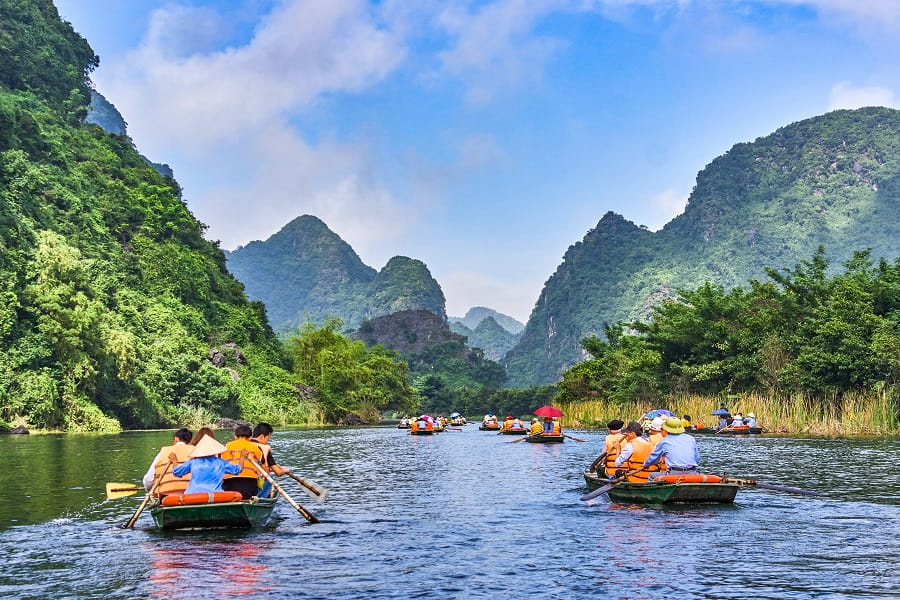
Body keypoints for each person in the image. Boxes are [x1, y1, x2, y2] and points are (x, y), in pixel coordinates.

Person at [171, 435, 243, 494]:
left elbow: (177, 472)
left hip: (193, 494)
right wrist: (242, 457)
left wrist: (174, 461)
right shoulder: (221, 462)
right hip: (215, 494)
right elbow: (238, 470)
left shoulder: (193, 462)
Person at [142, 428, 194, 495]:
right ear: (190, 441)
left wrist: (149, 489)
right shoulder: (195, 452)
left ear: (176, 439)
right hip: (191, 494)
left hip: (165, 495)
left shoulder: (163, 453)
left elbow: (148, 480)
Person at [222, 424, 265, 499]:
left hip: (229, 482)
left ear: (235, 437)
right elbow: (262, 464)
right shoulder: (255, 447)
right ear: (250, 438)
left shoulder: (227, 446)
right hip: (249, 482)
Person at [251, 423, 291, 498]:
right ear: (262, 436)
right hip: (255, 486)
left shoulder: (243, 445)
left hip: (236, 482)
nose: (267, 442)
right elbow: (278, 472)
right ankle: (262, 498)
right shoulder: (263, 448)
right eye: (268, 439)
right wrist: (286, 470)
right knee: (269, 479)